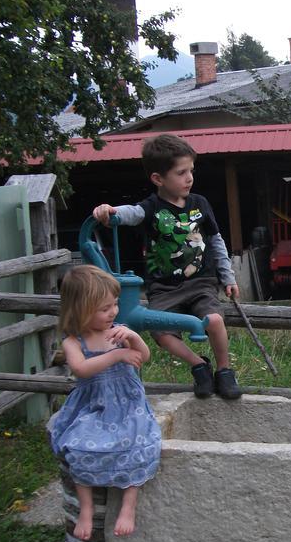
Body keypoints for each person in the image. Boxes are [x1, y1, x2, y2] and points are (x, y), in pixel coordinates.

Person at [92, 133, 243, 399]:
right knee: (160, 332)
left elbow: (216, 240)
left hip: (201, 283)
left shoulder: (200, 204)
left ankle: (224, 370)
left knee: (216, 320)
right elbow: (130, 213)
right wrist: (110, 210)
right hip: (163, 288)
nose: (189, 178)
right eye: (181, 172)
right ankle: (198, 364)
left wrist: (228, 277)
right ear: (158, 179)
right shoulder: (150, 208)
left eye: (191, 171)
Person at [49, 265, 161, 539]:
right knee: (77, 446)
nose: (113, 312)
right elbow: (81, 369)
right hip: (94, 406)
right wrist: (116, 356)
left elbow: (143, 356)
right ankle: (86, 508)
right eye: (104, 308)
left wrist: (134, 339)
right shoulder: (74, 342)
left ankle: (128, 505)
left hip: (128, 406)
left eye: (115, 305)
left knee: (139, 444)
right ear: (81, 310)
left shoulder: (120, 331)